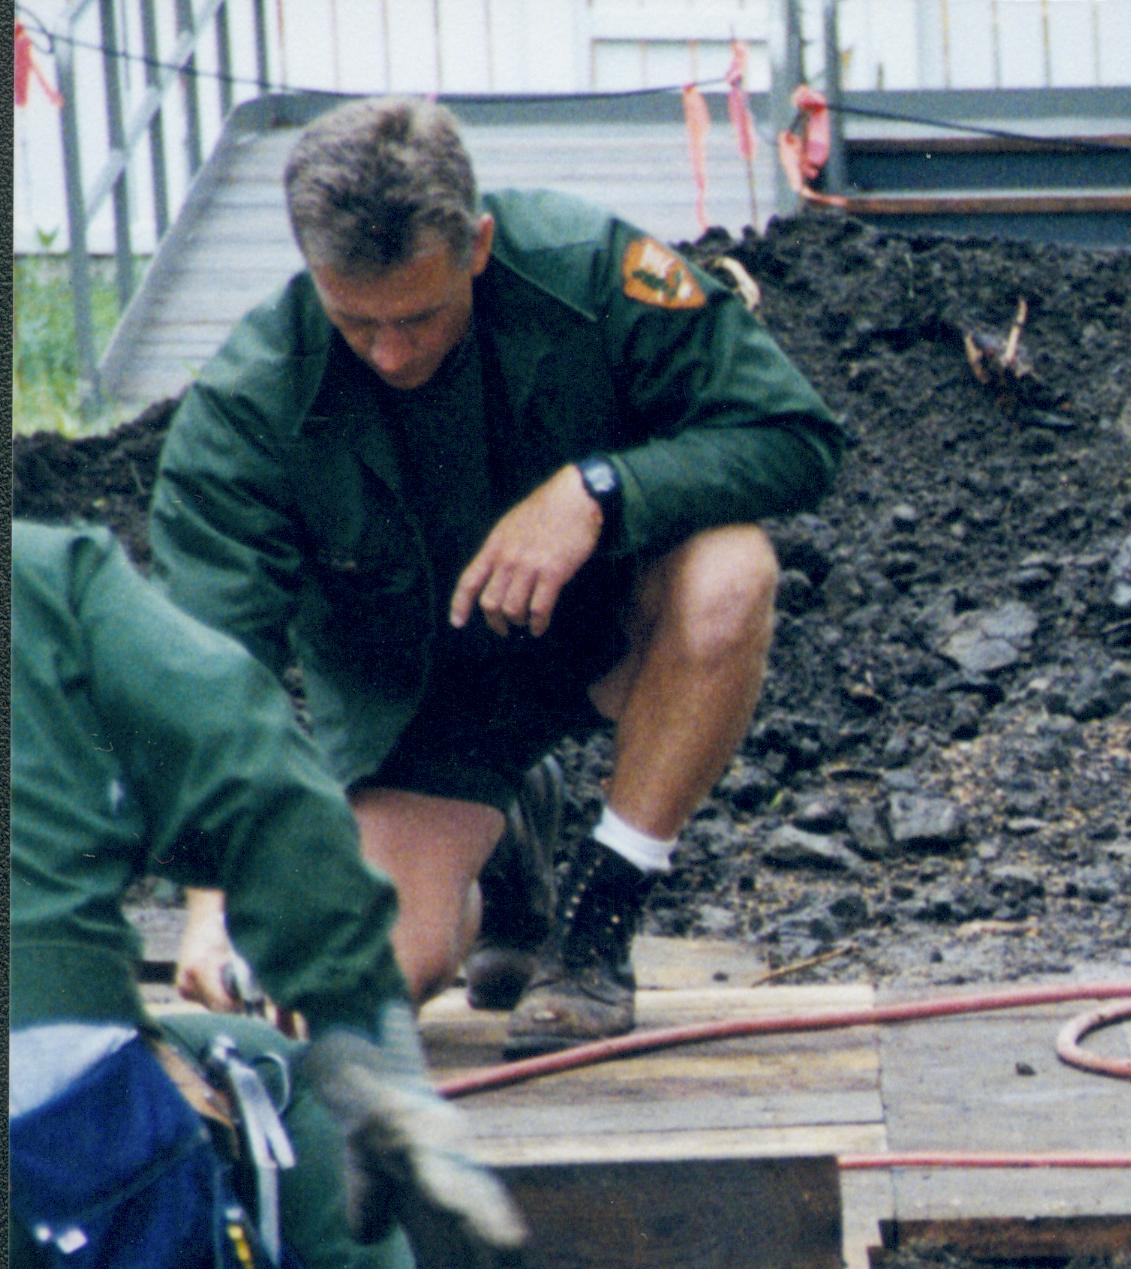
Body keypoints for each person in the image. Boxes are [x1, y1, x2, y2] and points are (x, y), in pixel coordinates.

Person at [152, 93, 846, 1053]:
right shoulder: (247, 410)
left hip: (610, 631)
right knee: (360, 987)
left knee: (733, 568)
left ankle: (597, 932)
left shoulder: (590, 275)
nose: (391, 353)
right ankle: (507, 854)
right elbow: (209, 676)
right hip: (425, 711)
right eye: (357, 323)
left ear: (476, 245)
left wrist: (598, 490)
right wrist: (211, 899)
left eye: (420, 317)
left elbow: (797, 439)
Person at [11, 520, 600, 1269]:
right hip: (58, 1187)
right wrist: (364, 1044)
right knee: (266, 1072)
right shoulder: (46, 580)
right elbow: (255, 770)